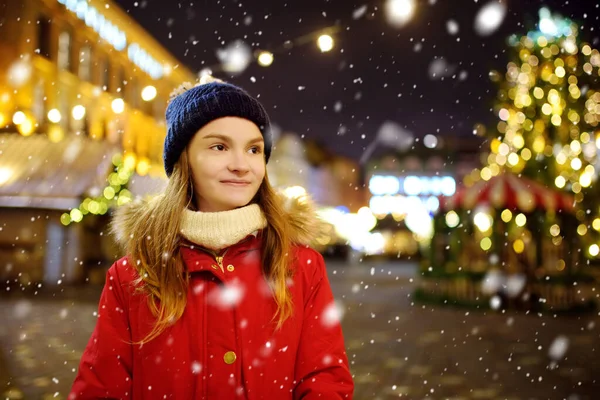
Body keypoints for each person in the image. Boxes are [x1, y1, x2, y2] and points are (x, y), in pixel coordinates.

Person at [69, 76, 354, 399]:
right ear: (184, 161)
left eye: (254, 149)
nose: (241, 165)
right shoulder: (132, 274)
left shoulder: (301, 265)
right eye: (219, 147)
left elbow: (324, 379)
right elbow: (100, 387)